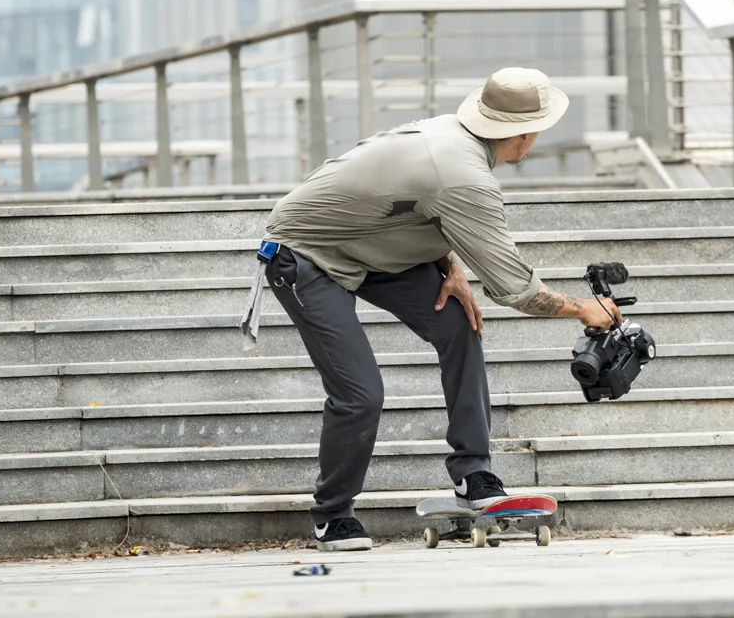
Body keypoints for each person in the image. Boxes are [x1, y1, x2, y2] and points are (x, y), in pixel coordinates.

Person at [252, 68, 620, 552]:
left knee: (458, 323)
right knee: (361, 393)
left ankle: (473, 472)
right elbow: (514, 289)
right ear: (526, 133)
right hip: (304, 255)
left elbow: (408, 204)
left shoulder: (455, 139)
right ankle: (333, 514)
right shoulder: (465, 176)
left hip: (374, 245)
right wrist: (584, 311)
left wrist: (449, 264)